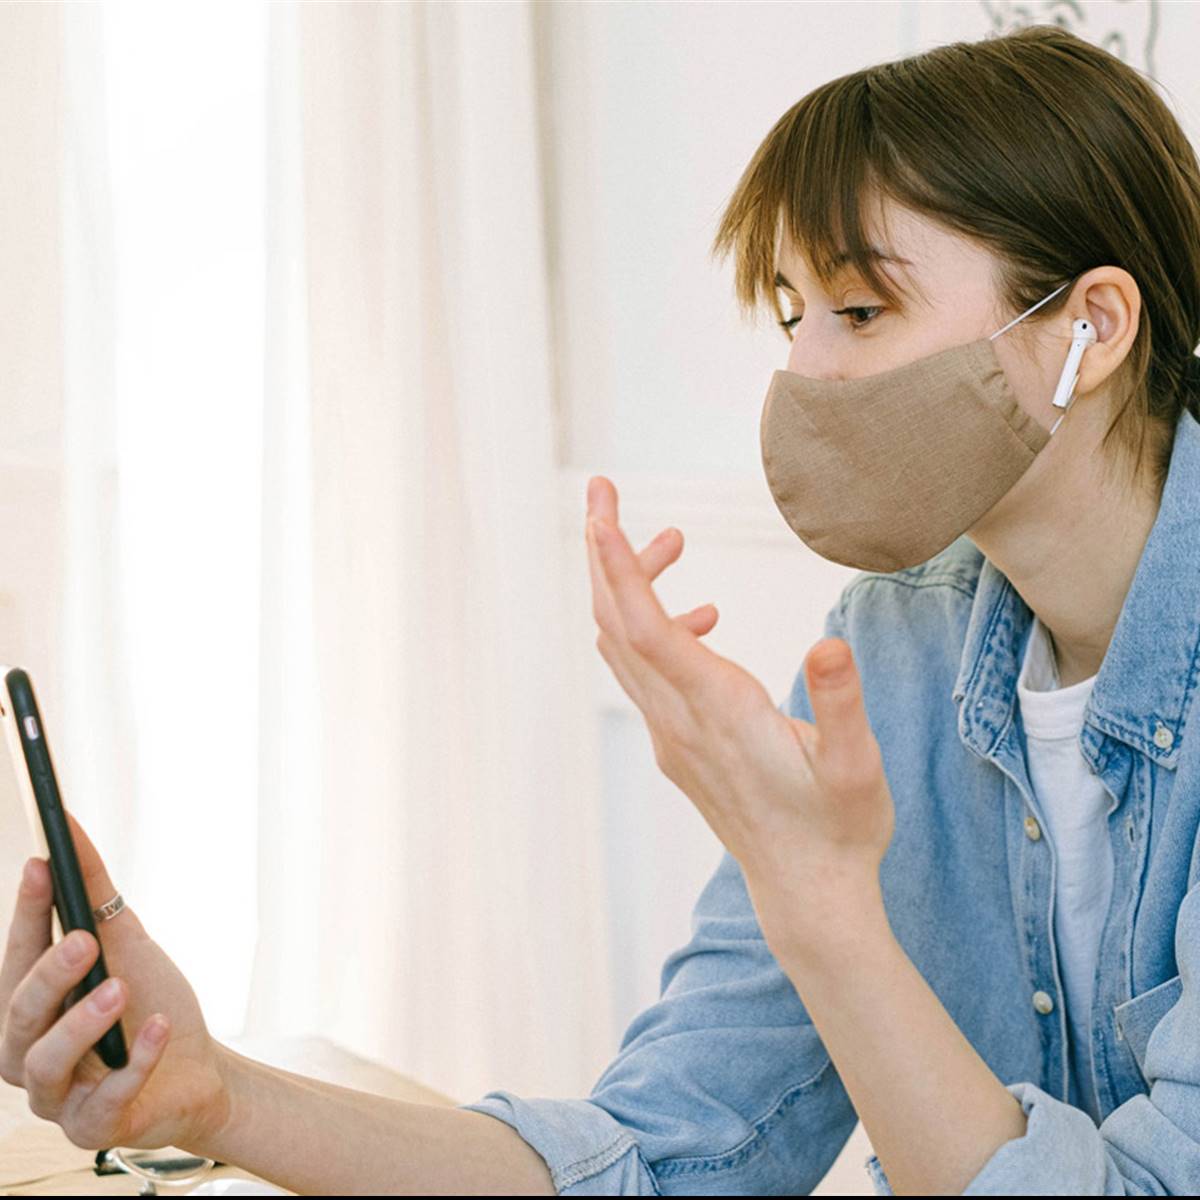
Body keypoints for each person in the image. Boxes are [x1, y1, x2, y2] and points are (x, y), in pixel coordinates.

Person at [3, 21, 1200, 1195]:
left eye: (862, 311)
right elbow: (655, 1152)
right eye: (792, 315)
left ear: (1087, 329)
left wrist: (824, 908)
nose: (803, 375)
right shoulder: (895, 646)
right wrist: (214, 1095)